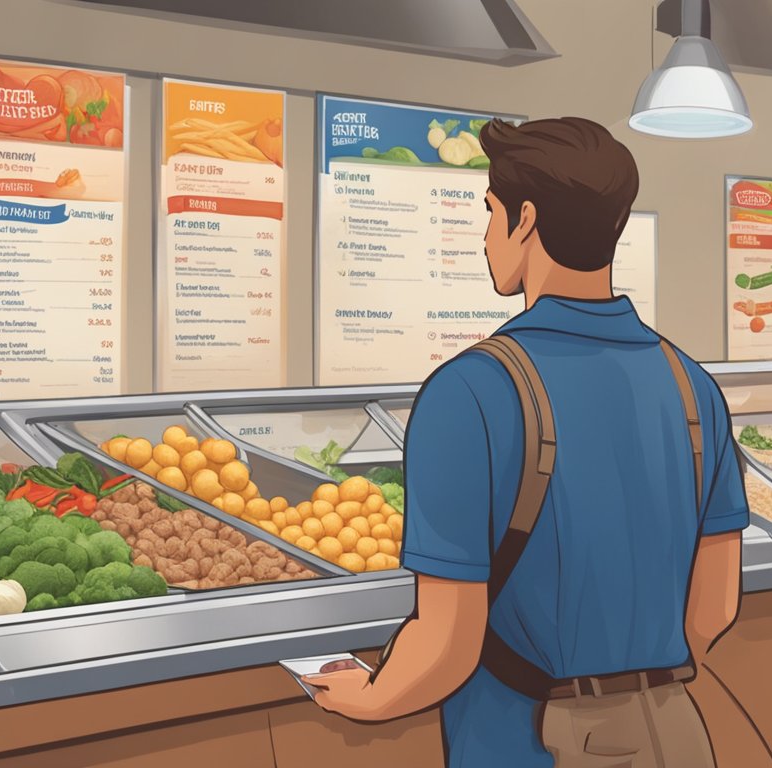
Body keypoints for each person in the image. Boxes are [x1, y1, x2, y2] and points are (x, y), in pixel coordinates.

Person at [302, 117, 748, 767]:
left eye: (489, 213)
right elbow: (713, 606)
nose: (486, 237)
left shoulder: (471, 392)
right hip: (674, 733)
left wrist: (366, 698)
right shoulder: (692, 384)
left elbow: (447, 645)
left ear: (525, 220)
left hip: (532, 743)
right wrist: (630, 686)